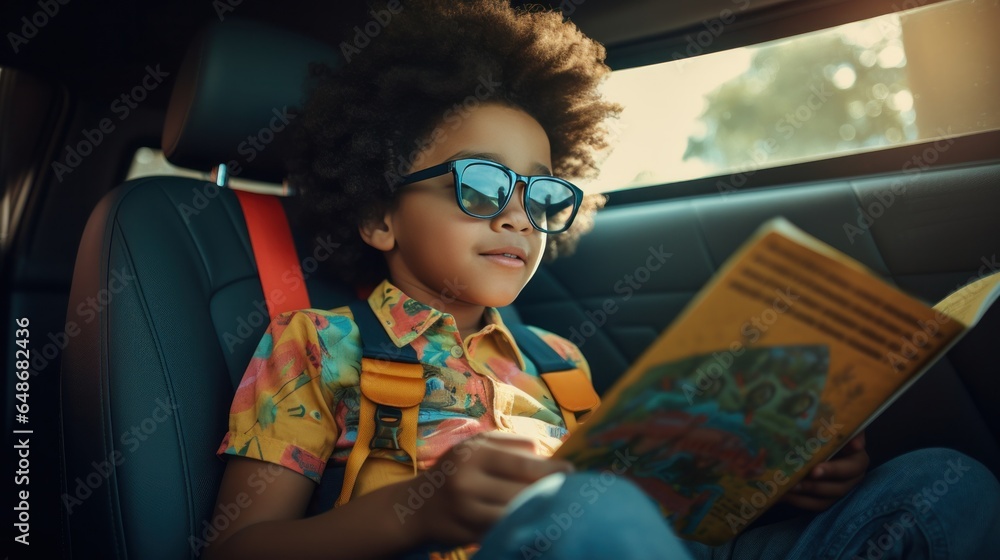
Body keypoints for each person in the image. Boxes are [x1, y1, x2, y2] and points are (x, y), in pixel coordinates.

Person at [205, 1, 1000, 559]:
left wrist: (785, 477)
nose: (519, 217)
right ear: (380, 216)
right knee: (583, 507)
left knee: (943, 482)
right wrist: (414, 512)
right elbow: (237, 549)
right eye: (482, 186)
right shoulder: (317, 345)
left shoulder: (553, 359)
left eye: (544, 196)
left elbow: (659, 500)